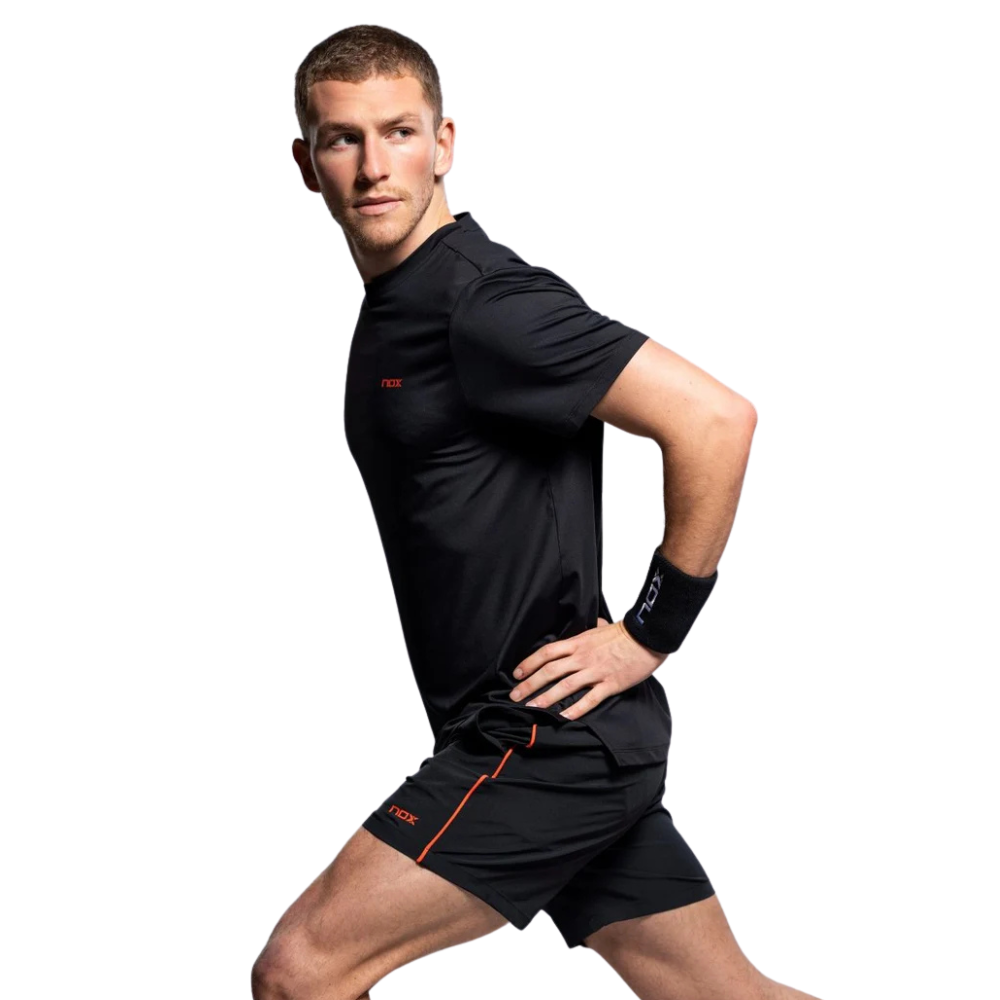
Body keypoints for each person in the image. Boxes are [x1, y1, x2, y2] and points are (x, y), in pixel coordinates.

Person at [256, 23, 821, 1000]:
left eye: (399, 132)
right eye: (344, 138)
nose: (374, 166)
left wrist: (649, 633)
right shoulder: (402, 304)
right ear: (307, 164)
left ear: (444, 144)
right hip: (570, 735)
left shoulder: (482, 303)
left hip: (540, 740)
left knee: (302, 970)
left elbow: (715, 421)